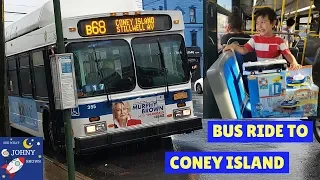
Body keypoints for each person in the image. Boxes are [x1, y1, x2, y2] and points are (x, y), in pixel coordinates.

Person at [223, 7, 302, 70]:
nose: (259, 26)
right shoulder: (255, 39)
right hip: (261, 71)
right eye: (257, 23)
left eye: (263, 22)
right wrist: (233, 46)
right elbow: (244, 50)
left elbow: (287, 54)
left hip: (277, 71)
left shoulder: (279, 41)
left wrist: (294, 63)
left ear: (273, 23)